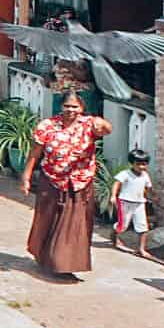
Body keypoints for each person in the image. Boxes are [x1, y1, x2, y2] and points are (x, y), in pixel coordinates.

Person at [21, 91, 113, 275]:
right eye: (67, 106)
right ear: (61, 106)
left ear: (82, 108)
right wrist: (26, 176)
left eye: (75, 107)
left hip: (79, 183)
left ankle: (64, 265)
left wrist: (101, 122)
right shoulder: (47, 126)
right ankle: (42, 255)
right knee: (46, 219)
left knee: (73, 225)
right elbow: (35, 153)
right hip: (52, 180)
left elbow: (106, 129)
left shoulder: (88, 125)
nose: (71, 110)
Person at [111, 149, 155, 258]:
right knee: (123, 226)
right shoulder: (125, 174)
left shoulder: (145, 175)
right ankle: (114, 234)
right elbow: (116, 184)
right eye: (138, 164)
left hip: (139, 204)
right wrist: (113, 196)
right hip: (125, 203)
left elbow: (148, 187)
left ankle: (141, 249)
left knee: (143, 227)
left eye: (144, 164)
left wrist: (152, 196)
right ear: (132, 163)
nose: (141, 167)